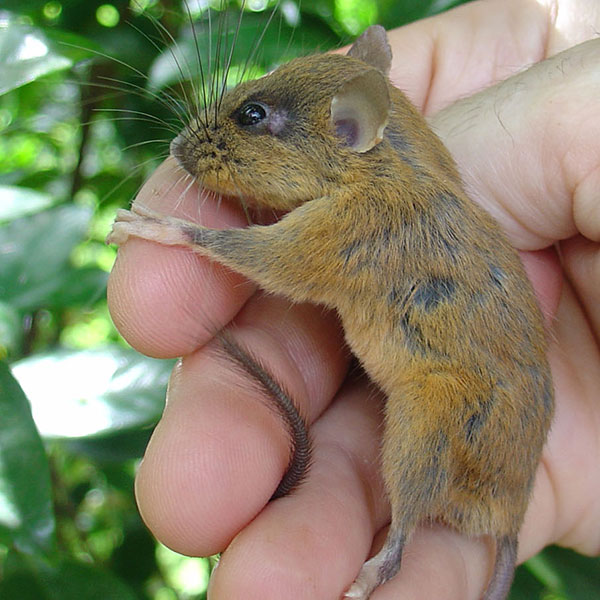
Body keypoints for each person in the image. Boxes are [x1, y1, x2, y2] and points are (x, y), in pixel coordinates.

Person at [107, 0, 600, 597]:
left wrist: (182, 233)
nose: (199, 142)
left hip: (476, 438)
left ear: (350, 131)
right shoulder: (379, 193)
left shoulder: (372, 210)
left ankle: (393, 554)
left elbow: (281, 263)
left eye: (254, 117)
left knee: (431, 401)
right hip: (520, 417)